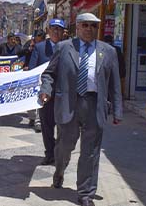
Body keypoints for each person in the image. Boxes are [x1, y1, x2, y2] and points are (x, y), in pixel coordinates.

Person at [39, 13, 122, 206]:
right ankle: (59, 170)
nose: (89, 29)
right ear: (77, 27)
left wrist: (117, 111)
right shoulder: (64, 47)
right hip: (69, 104)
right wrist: (46, 91)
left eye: (93, 26)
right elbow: (49, 74)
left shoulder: (108, 51)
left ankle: (85, 193)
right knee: (64, 147)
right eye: (85, 25)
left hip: (94, 105)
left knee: (90, 152)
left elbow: (115, 84)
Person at [28, 18, 65, 166]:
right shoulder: (40, 47)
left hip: (63, 94)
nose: (56, 31)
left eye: (59, 29)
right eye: (53, 28)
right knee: (47, 126)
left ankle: (60, 152)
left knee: (64, 127)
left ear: (63, 32)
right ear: (48, 31)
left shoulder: (69, 47)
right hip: (46, 94)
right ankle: (49, 153)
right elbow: (32, 68)